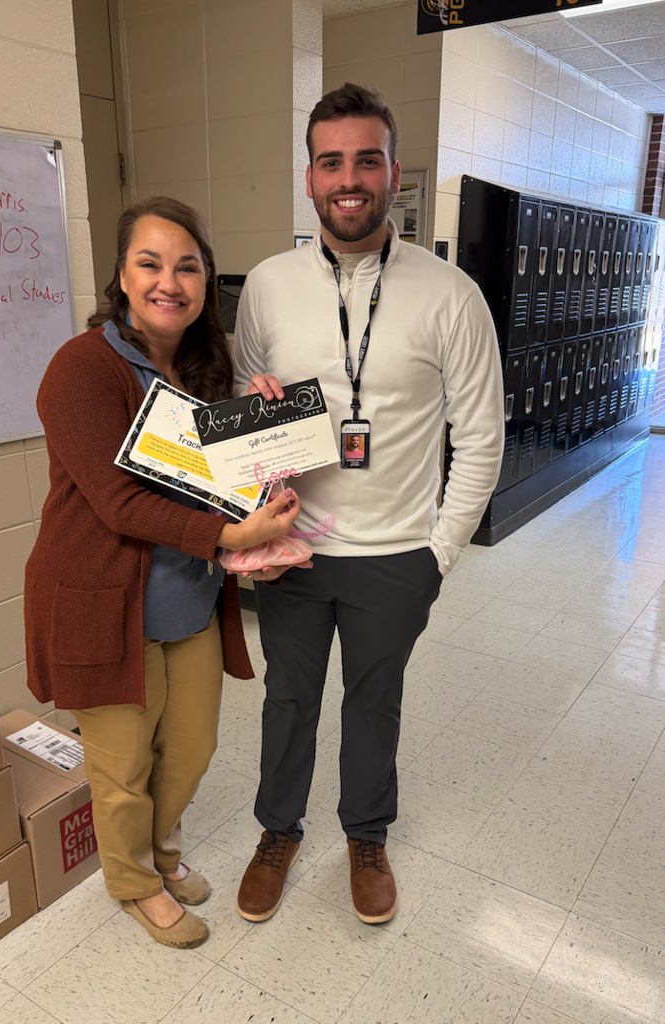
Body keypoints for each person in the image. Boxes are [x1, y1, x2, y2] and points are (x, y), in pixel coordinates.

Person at [233, 84, 504, 925]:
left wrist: (438, 554)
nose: (348, 178)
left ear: (391, 172)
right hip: (294, 551)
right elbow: (245, 411)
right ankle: (277, 832)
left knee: (373, 703)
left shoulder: (450, 294)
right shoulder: (269, 286)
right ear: (310, 178)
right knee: (288, 701)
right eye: (330, 161)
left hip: (395, 556)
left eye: (367, 159)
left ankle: (366, 834)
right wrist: (254, 399)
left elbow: (481, 438)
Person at [24, 196, 301, 949]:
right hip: (101, 604)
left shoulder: (208, 366)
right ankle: (136, 881)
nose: (169, 282)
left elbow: (220, 481)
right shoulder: (79, 370)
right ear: (120, 274)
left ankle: (163, 852)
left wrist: (257, 423)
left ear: (207, 280)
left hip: (188, 596)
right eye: (150, 263)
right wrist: (230, 535)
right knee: (120, 768)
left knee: (191, 747)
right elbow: (117, 502)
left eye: (188, 267)